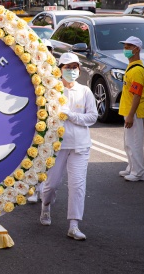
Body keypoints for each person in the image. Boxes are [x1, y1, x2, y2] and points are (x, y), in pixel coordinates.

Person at [40, 52, 98, 241]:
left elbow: (92, 117)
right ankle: (46, 206)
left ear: (79, 70)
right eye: (68, 68)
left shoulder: (85, 91)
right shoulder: (53, 91)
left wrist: (72, 116)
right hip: (58, 145)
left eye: (74, 68)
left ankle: (74, 225)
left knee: (77, 185)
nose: (72, 71)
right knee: (51, 185)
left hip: (80, 145)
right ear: (60, 70)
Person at [118, 36, 144, 182]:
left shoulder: (137, 70)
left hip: (135, 113)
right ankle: (132, 167)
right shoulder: (131, 67)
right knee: (129, 143)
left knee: (135, 144)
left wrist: (131, 115)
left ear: (136, 49)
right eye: (125, 46)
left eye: (129, 46)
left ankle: (139, 173)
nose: (125, 49)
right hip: (130, 111)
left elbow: (137, 95)